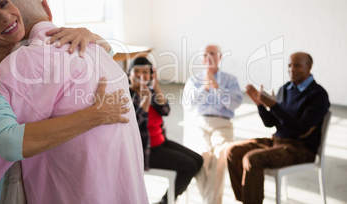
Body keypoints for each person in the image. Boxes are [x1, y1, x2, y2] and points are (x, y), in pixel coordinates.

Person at [0, 0, 146, 203]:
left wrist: (89, 35)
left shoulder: (39, 57)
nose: (5, 16)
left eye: (3, 3)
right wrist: (95, 116)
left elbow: (99, 60)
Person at [225, 52, 330, 204]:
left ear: (309, 67)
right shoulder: (285, 89)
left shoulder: (318, 95)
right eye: (289, 65)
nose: (292, 69)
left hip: (301, 149)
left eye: (297, 65)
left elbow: (301, 129)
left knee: (252, 159)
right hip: (277, 142)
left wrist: (273, 105)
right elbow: (270, 122)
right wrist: (261, 105)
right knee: (232, 151)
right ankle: (246, 200)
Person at [128, 56, 203, 204]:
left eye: (145, 72)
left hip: (161, 143)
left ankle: (168, 198)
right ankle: (165, 201)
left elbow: (165, 110)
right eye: (136, 71)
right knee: (189, 166)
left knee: (198, 160)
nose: (141, 75)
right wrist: (145, 101)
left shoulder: (151, 91)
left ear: (151, 75)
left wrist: (156, 88)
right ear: (129, 74)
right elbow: (134, 124)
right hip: (144, 151)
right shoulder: (126, 95)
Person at [182, 44, 243, 204]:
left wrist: (217, 87)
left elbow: (235, 103)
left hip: (222, 124)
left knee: (220, 155)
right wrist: (205, 88)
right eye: (205, 54)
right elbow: (188, 105)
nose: (208, 57)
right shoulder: (194, 80)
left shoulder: (230, 79)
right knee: (201, 155)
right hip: (199, 124)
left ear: (219, 57)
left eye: (212, 53)